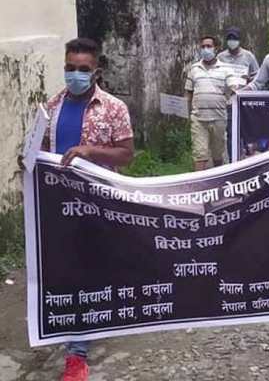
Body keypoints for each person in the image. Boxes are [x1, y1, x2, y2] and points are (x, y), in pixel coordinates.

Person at [42, 37, 135, 381]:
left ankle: (77, 352)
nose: (75, 75)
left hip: (99, 203)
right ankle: (76, 340)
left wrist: (89, 151)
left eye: (83, 69)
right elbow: (40, 150)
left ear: (95, 71)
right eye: (70, 68)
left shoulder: (113, 108)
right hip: (59, 204)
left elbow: (126, 154)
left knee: (87, 268)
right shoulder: (51, 106)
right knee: (73, 270)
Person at [185, 35, 237, 171]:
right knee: (199, 154)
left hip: (219, 118)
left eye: (209, 46)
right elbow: (188, 92)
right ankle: (198, 186)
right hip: (198, 119)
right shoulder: (194, 69)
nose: (205, 49)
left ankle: (217, 182)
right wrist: (186, 111)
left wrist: (238, 86)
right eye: (203, 47)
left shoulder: (226, 69)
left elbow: (234, 88)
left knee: (217, 154)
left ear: (216, 48)